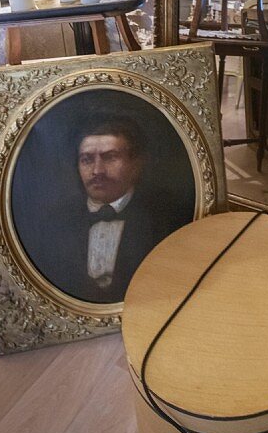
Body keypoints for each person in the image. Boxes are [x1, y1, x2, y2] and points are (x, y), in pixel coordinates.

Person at [27, 118, 181, 304]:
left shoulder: (166, 216)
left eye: (110, 157)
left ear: (135, 164)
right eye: (87, 160)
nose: (97, 170)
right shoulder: (55, 222)